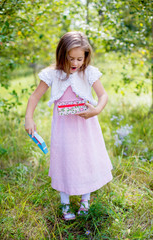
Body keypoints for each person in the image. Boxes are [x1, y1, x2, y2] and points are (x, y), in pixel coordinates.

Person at [25, 31, 113, 221]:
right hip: (64, 130)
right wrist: (29, 118)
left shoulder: (88, 72)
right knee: (64, 160)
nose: (75, 63)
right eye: (70, 58)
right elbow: (34, 97)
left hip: (86, 126)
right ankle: (65, 204)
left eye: (79, 59)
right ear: (61, 54)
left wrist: (96, 110)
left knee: (85, 158)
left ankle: (85, 201)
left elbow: (103, 95)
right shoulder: (52, 74)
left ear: (86, 57)